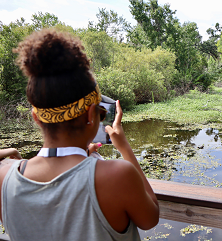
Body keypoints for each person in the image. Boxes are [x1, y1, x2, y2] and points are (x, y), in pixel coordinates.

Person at [0, 29, 159, 241]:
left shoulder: (4, 177)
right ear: (91, 115)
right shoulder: (117, 175)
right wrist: (124, 148)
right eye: (101, 113)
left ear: (36, 118)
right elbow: (151, 219)